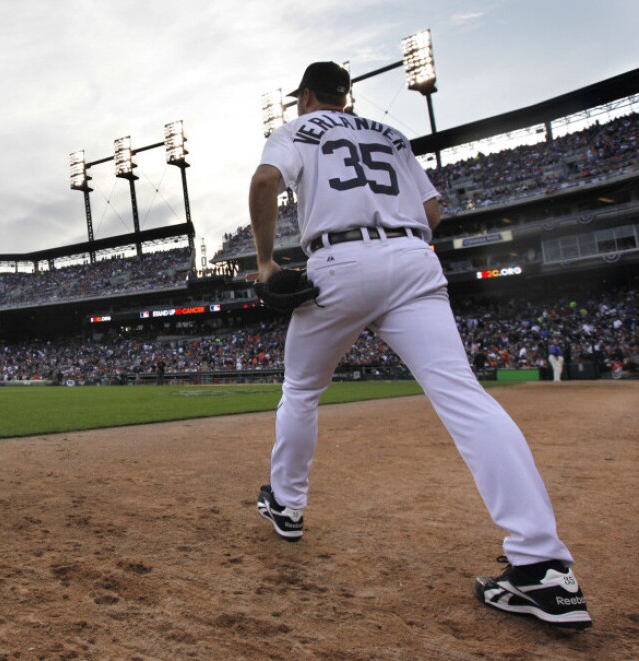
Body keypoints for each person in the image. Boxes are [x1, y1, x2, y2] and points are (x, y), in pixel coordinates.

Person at [249, 61, 591, 628]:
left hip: (337, 261)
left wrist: (265, 264)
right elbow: (432, 212)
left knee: (302, 388)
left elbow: (265, 182)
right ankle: (544, 567)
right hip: (413, 258)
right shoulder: (391, 134)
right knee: (465, 396)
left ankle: (287, 505)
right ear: (348, 95)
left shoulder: (297, 129)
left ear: (307, 96)